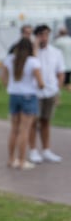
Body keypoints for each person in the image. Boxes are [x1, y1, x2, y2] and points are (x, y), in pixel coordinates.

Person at [1, 38, 44, 169]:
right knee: (24, 130)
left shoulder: (9, 59)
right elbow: (40, 83)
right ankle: (21, 160)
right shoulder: (33, 61)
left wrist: (11, 86)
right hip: (28, 96)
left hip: (14, 95)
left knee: (14, 129)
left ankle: (11, 159)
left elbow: (3, 78)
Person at [28, 24, 66, 164]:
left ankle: (46, 150)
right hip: (34, 93)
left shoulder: (56, 52)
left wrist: (57, 90)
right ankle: (33, 150)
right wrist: (35, 48)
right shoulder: (31, 52)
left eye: (46, 35)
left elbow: (60, 73)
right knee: (33, 122)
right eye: (41, 35)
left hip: (50, 91)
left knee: (46, 121)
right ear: (36, 36)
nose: (44, 38)